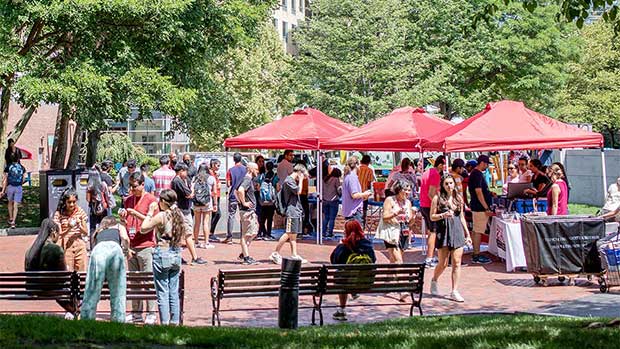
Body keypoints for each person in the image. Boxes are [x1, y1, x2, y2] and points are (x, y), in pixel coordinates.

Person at [141, 189, 190, 326]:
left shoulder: (162, 216)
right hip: (176, 253)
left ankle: (165, 323)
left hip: (162, 253)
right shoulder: (179, 214)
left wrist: (150, 212)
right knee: (173, 291)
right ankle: (174, 322)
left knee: (162, 291)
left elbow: (144, 228)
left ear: (163, 202)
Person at [119, 172, 158, 324]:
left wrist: (137, 214)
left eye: (135, 186)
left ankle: (151, 313)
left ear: (143, 184)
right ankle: (136, 313)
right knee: (135, 281)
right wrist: (123, 216)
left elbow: (154, 221)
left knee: (147, 280)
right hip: (131, 245)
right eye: (130, 186)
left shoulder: (151, 200)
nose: (132, 189)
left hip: (146, 245)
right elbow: (124, 221)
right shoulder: (128, 200)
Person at [429, 175, 472, 303]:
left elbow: (462, 217)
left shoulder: (458, 198)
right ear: (442, 185)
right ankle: (434, 280)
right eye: (446, 184)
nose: (449, 186)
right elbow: (432, 216)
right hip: (444, 231)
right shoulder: (437, 199)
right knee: (443, 263)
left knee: (457, 261)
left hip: (457, 231)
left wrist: (467, 233)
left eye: (451, 183)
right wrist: (443, 215)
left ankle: (454, 290)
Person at [80, 216, 130, 322]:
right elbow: (125, 238)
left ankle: (87, 318)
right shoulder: (119, 226)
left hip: (98, 251)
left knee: (92, 287)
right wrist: (127, 250)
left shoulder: (99, 230)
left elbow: (93, 244)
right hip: (115, 250)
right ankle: (118, 319)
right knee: (118, 289)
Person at [24, 218, 77, 319]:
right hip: (51, 289)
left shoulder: (30, 250)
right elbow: (64, 276)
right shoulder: (55, 249)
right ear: (53, 232)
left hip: (34, 289)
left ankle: (73, 311)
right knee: (72, 286)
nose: (58, 238)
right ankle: (75, 311)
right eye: (58, 234)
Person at [330, 220, 376, 321]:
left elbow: (334, 262)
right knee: (346, 275)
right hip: (366, 281)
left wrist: (339, 246)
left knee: (341, 276)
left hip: (346, 282)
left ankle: (342, 310)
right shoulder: (367, 245)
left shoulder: (344, 246)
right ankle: (353, 291)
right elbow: (373, 260)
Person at [270, 163, 309, 264]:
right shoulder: (289, 181)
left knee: (293, 235)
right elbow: (298, 191)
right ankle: (275, 252)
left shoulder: (290, 181)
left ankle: (294, 254)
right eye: (303, 175)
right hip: (291, 212)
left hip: (295, 211)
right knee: (288, 233)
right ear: (299, 173)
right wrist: (300, 180)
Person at [170, 163, 207, 265]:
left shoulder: (181, 180)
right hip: (183, 210)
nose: (186, 174)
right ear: (181, 170)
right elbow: (189, 194)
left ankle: (178, 256)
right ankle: (194, 258)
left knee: (180, 235)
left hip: (183, 209)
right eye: (185, 171)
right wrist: (193, 189)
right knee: (188, 234)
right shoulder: (177, 181)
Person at [376, 179, 414, 268]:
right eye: (405, 189)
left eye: (409, 190)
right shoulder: (390, 200)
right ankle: (398, 281)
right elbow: (385, 217)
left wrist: (413, 217)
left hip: (403, 231)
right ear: (399, 189)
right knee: (399, 261)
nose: (408, 192)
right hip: (391, 230)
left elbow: (410, 223)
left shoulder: (408, 203)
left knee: (393, 260)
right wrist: (395, 213)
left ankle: (390, 279)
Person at [53, 188, 88, 271]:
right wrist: (69, 227)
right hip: (66, 245)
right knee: (68, 271)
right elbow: (59, 234)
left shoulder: (80, 211)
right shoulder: (59, 214)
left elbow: (86, 232)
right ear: (64, 202)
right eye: (69, 202)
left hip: (79, 243)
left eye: (74, 202)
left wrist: (79, 225)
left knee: (82, 271)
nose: (72, 205)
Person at [467, 155, 494, 265]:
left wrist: (489, 193)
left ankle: (475, 252)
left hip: (476, 206)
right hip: (479, 207)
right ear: (482, 163)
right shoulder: (477, 174)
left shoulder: (475, 173)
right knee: (478, 231)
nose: (487, 167)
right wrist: (486, 207)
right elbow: (478, 192)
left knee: (476, 230)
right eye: (487, 164)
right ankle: (476, 255)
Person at [420, 155, 445, 268]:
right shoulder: (435, 174)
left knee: (431, 231)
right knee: (433, 232)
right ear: (440, 165)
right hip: (429, 206)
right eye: (444, 165)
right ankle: (429, 259)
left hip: (424, 205)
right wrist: (438, 206)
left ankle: (430, 256)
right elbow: (431, 193)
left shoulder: (427, 172)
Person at [235, 162, 260, 265]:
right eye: (256, 169)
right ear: (251, 169)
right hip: (247, 212)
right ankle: (246, 257)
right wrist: (244, 203)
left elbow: (235, 191)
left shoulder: (248, 179)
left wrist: (240, 202)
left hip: (249, 211)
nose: (258, 171)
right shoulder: (247, 179)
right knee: (246, 235)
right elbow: (240, 190)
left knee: (254, 232)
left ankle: (243, 253)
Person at [192, 163, 217, 249]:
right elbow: (215, 193)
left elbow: (192, 191)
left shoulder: (195, 178)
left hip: (196, 203)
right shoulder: (211, 178)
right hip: (207, 203)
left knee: (197, 223)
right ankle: (206, 242)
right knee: (206, 223)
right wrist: (215, 204)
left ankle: (195, 242)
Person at [342, 156, 373, 224]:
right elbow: (354, 195)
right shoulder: (352, 177)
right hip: (354, 212)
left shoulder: (347, 176)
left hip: (350, 210)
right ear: (357, 165)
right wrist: (365, 194)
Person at [1, 151, 27, 228]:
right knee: (16, 204)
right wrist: (20, 185)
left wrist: (3, 191)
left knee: (10, 202)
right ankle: (13, 222)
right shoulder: (22, 167)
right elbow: (24, 178)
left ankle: (11, 217)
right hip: (18, 187)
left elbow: (5, 179)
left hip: (10, 187)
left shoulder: (8, 167)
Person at [225, 152, 246, 244]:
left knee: (231, 215)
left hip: (233, 195)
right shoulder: (246, 169)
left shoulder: (230, 170)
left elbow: (228, 184)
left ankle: (229, 237)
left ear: (234, 159)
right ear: (241, 159)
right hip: (243, 195)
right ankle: (243, 237)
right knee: (243, 217)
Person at [86, 166, 110, 238]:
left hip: (93, 208)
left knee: (92, 227)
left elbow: (88, 199)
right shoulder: (103, 184)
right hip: (103, 207)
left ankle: (93, 244)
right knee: (104, 225)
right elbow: (108, 196)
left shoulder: (89, 187)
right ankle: (104, 239)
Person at [257, 160, 277, 241]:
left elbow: (258, 187)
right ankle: (268, 234)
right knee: (270, 218)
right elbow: (278, 187)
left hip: (263, 201)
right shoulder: (275, 176)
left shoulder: (262, 176)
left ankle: (262, 232)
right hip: (271, 201)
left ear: (266, 167)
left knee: (262, 217)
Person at [322, 168, 342, 240]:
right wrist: (340, 194)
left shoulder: (325, 179)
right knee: (332, 218)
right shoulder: (336, 179)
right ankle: (330, 233)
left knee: (326, 217)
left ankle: (323, 232)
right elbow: (339, 190)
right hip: (333, 200)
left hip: (324, 200)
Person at [358, 155, 376, 224]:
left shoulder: (357, 169)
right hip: (364, 194)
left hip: (356, 193)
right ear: (368, 162)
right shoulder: (369, 170)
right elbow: (369, 183)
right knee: (364, 212)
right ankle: (362, 226)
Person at [208, 159, 222, 243]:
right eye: (217, 165)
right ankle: (211, 232)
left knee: (215, 214)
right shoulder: (210, 174)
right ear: (213, 165)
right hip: (214, 196)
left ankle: (211, 232)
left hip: (217, 195)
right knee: (217, 214)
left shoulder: (215, 174)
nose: (218, 167)